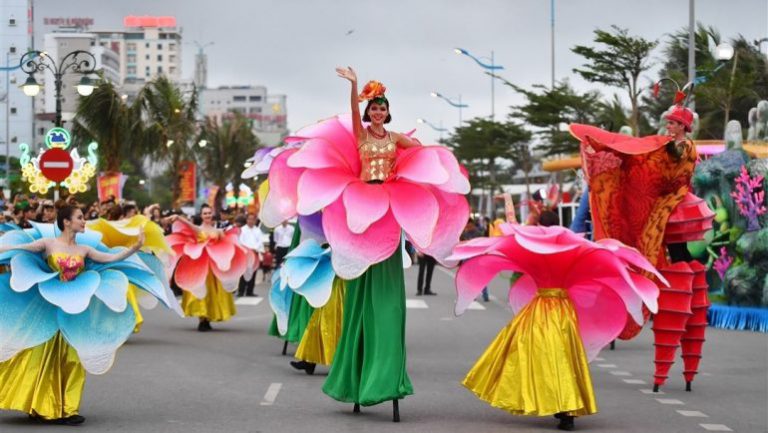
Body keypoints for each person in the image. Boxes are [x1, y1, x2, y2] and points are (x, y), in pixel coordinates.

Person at [450, 223, 663, 431]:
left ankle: (559, 406)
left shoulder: (544, 252)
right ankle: (564, 409)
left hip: (542, 311)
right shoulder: (578, 253)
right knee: (561, 359)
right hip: (560, 312)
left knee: (538, 358)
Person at [0, 205, 177, 425]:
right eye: (80, 218)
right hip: (51, 306)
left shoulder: (84, 250)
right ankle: (46, 406)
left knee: (72, 359)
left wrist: (136, 246)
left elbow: (111, 259)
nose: (84, 222)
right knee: (43, 357)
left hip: (76, 309)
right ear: (66, 222)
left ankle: (68, 408)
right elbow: (19, 248)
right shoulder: (48, 244)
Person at [168, 204, 247, 332]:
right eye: (205, 213)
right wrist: (178, 218)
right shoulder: (198, 229)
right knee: (200, 290)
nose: (207, 215)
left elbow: (226, 247)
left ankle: (208, 318)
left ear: (213, 214)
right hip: (200, 266)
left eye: (209, 213)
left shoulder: (219, 232)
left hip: (214, 268)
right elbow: (189, 225)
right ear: (201, 216)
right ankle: (201, 319)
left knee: (212, 293)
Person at [238, 213, 264, 297]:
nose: (251, 221)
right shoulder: (242, 230)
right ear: (247, 220)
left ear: (255, 220)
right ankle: (241, 291)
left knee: (253, 272)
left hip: (254, 253)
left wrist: (254, 248)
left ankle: (250, 291)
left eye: (253, 219)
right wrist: (249, 249)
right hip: (246, 254)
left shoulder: (258, 230)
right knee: (243, 272)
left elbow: (260, 241)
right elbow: (241, 241)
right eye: (249, 219)